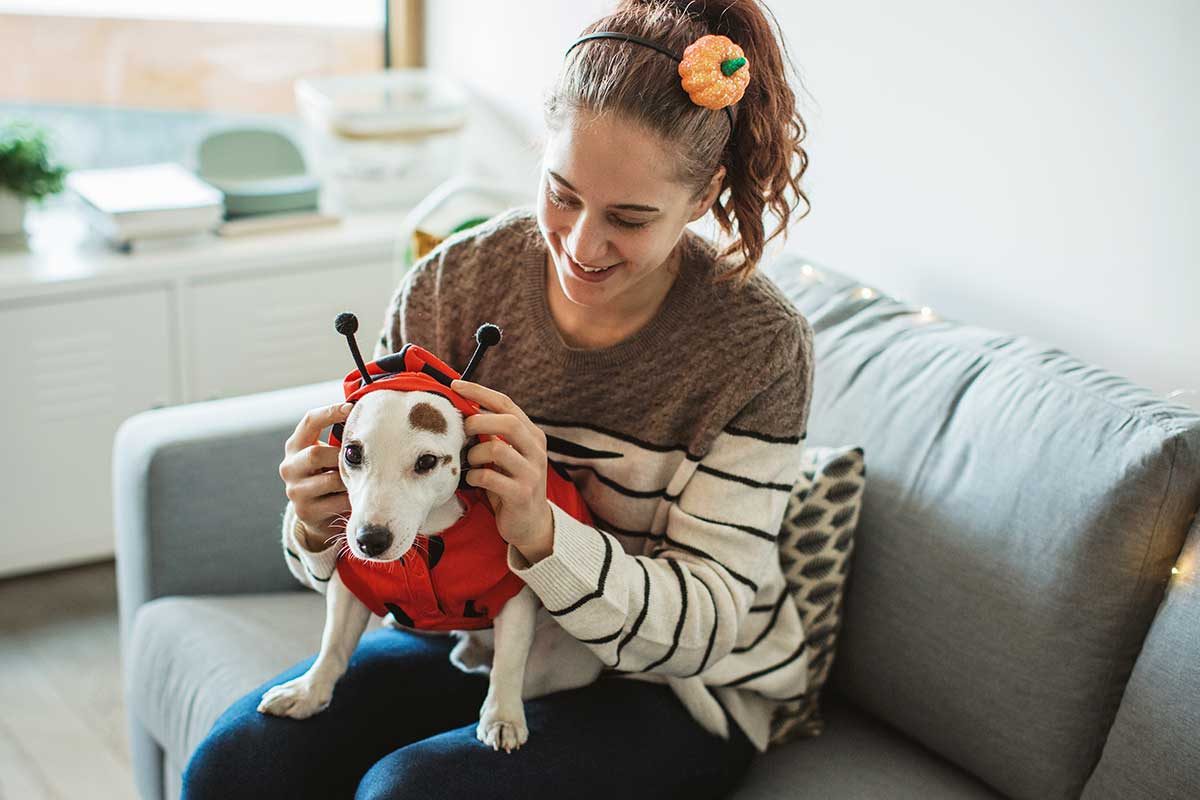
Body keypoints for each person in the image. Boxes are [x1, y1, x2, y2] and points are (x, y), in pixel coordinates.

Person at [182, 0, 814, 797]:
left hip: (669, 685)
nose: (582, 246)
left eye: (629, 217)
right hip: (471, 622)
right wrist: (315, 522)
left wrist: (544, 536)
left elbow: (706, 631)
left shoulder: (756, 346)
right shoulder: (452, 282)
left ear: (701, 197)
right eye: (562, 192)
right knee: (238, 766)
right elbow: (361, 545)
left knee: (411, 792)